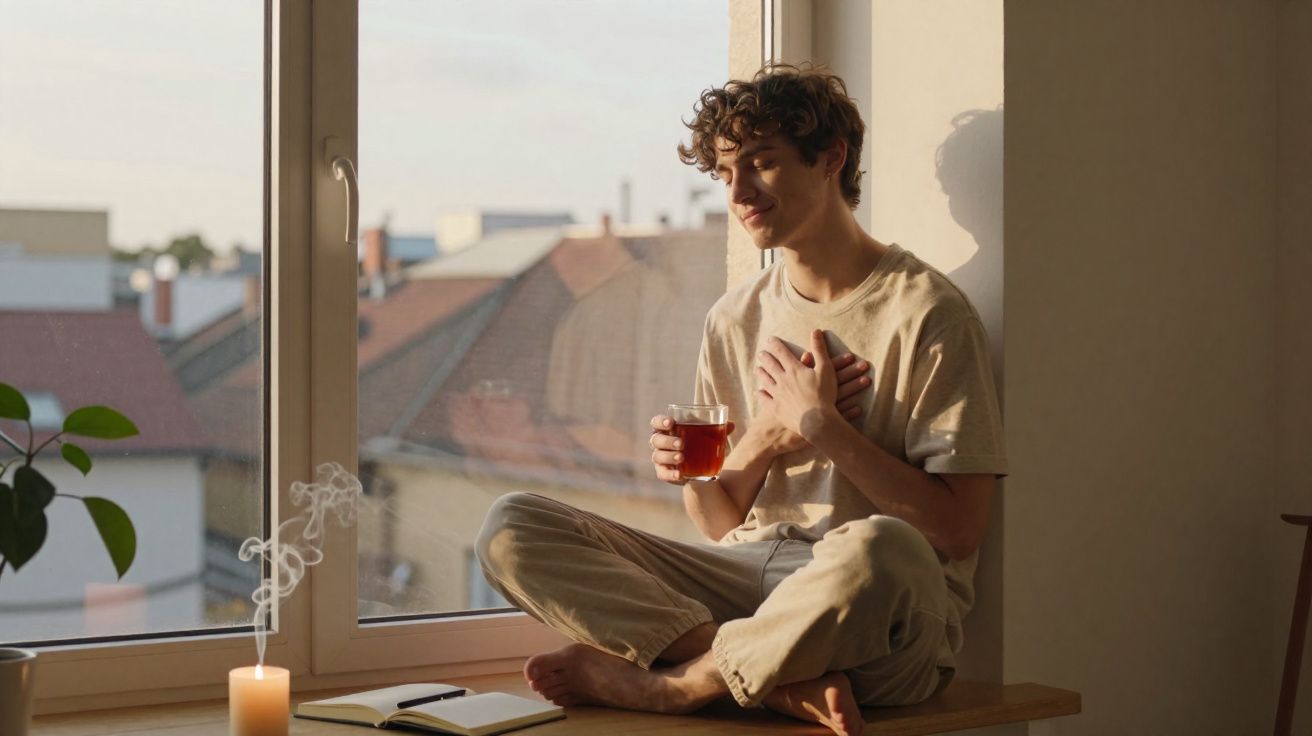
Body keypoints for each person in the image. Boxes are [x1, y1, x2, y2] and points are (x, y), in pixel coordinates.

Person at [475, 64, 1008, 736]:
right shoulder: (734, 317)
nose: (739, 191)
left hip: (874, 616)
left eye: (761, 163)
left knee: (882, 550)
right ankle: (778, 684)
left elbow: (958, 533)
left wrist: (822, 426)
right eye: (725, 172)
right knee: (511, 527)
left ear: (831, 158)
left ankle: (676, 684)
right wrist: (761, 441)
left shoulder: (928, 313)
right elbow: (719, 521)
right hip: (746, 580)